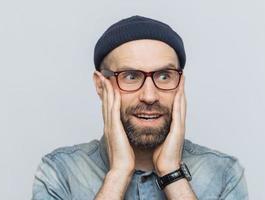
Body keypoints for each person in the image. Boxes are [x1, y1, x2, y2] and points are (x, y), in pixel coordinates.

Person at [32, 15, 248, 200]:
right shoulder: (60, 172)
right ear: (100, 86)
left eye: (164, 76)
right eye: (131, 76)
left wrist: (173, 174)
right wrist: (118, 175)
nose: (149, 96)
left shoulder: (223, 174)